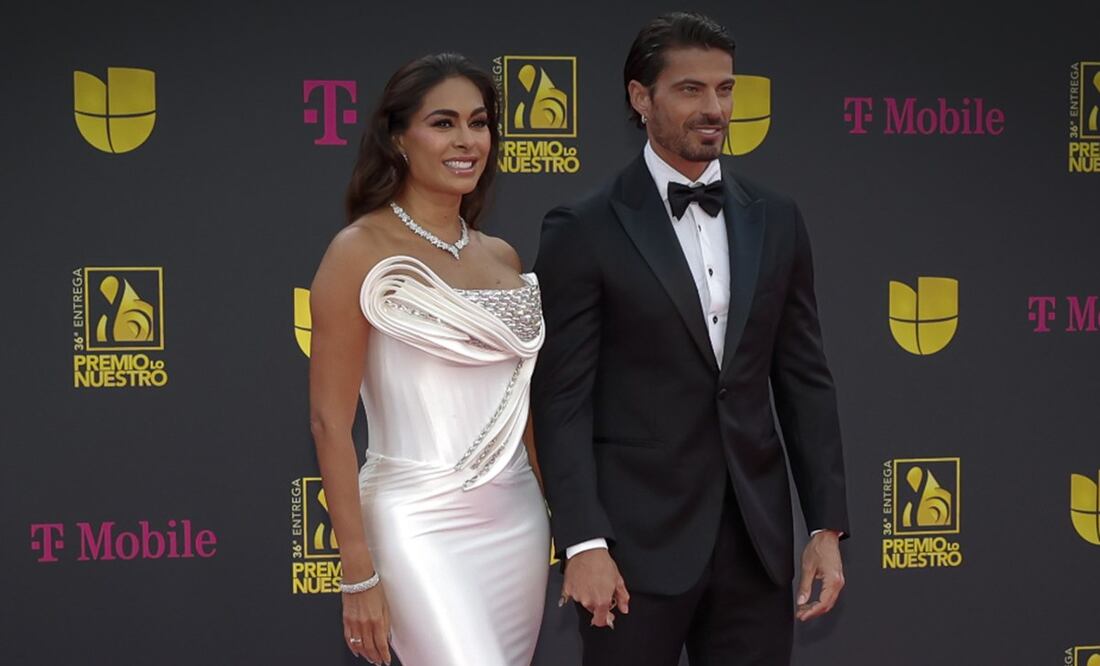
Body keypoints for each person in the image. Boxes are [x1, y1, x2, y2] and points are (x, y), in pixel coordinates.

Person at [532, 12, 849, 666]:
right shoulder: (584, 227)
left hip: (756, 544)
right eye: (690, 89)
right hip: (633, 546)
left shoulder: (778, 218)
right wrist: (583, 541)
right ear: (640, 97)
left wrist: (825, 527)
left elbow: (804, 380)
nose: (714, 108)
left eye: (725, 89)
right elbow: (561, 399)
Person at [308, 52, 549, 666]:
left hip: (519, 522)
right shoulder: (357, 251)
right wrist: (357, 572)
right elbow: (330, 424)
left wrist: (573, 529)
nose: (467, 140)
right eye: (443, 123)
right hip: (415, 524)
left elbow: (525, 414)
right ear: (398, 138)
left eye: (479, 122)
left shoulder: (502, 257)